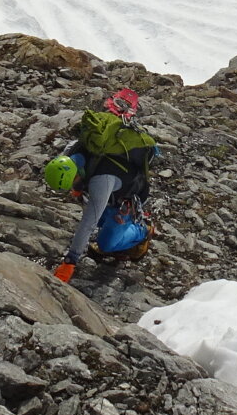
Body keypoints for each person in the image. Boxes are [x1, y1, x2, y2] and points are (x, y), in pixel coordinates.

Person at [47, 88, 160, 283]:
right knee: (97, 212)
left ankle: (142, 231)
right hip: (110, 193)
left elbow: (88, 223)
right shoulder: (72, 152)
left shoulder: (101, 180)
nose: (72, 189)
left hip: (124, 203)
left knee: (105, 244)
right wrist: (78, 188)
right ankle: (110, 223)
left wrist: (70, 260)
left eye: (72, 184)